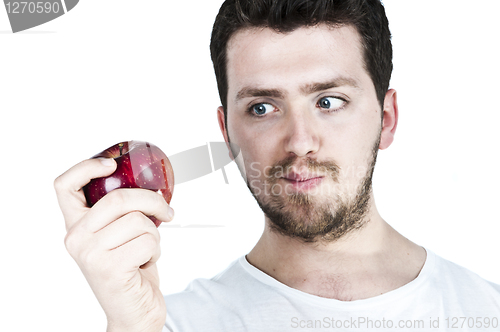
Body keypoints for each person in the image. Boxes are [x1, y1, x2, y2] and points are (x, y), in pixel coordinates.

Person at [54, 0, 500, 331]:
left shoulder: (486, 312)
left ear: (386, 120)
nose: (300, 142)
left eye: (329, 101)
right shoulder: (165, 323)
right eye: (263, 108)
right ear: (227, 132)